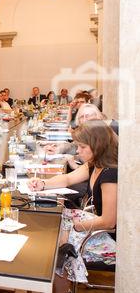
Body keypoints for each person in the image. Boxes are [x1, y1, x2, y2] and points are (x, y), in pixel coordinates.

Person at [29, 120, 118, 285]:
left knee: (55, 249)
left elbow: (109, 221)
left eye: (82, 147)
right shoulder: (94, 164)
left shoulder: (110, 175)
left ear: (98, 145)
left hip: (108, 238)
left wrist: (77, 227)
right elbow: (68, 178)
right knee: (57, 231)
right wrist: (43, 184)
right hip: (93, 226)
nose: (78, 151)